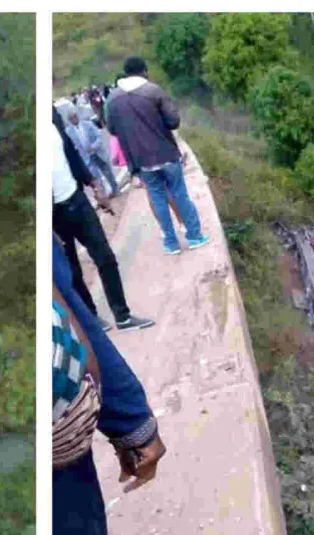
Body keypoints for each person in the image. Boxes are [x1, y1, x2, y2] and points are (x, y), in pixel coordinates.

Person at [52, 238, 166, 535]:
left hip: (58, 420)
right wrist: (131, 421)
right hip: (58, 421)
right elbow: (68, 311)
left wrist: (131, 421)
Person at [52, 107, 153, 332]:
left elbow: (70, 153)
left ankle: (123, 316)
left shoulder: (52, 116)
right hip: (53, 216)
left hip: (77, 200)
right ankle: (93, 320)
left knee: (105, 257)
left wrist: (95, 186)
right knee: (73, 271)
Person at [106, 56, 209, 255]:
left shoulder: (112, 99)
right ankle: (195, 236)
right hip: (165, 154)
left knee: (157, 199)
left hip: (141, 161)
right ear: (144, 71)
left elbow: (112, 129)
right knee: (180, 194)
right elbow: (173, 121)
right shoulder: (153, 91)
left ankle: (171, 244)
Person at [65, 104, 120, 198]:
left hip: (98, 153)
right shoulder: (68, 131)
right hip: (87, 158)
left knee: (108, 173)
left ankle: (116, 190)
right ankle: (104, 196)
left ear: (77, 115)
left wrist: (94, 146)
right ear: (69, 120)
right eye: (72, 118)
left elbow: (99, 136)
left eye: (75, 116)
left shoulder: (88, 124)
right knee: (96, 177)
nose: (75, 118)